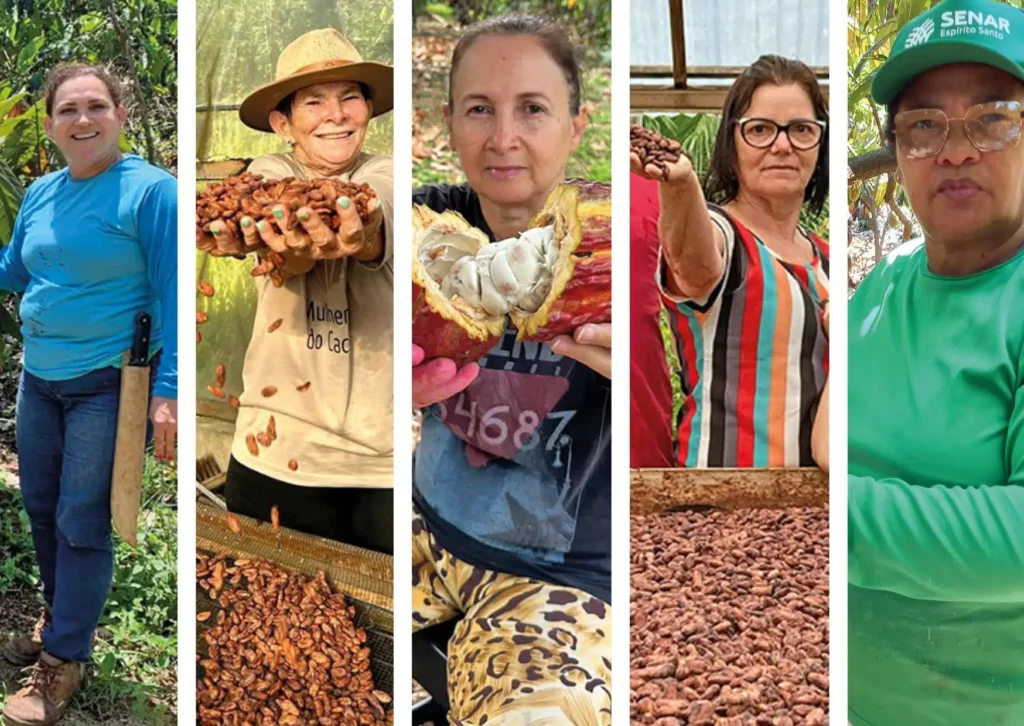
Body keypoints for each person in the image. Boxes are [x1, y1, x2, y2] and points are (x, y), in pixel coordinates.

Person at [411, 15, 611, 723]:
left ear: (577, 124)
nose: (503, 138)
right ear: (447, 122)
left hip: (558, 576)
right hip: (421, 528)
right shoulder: (426, 226)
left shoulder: (620, 248)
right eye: (479, 109)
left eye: (532, 109)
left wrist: (652, 370)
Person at [848, 0, 1024, 723]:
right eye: (924, 126)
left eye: (993, 118)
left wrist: (834, 515)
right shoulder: (883, 285)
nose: (956, 150)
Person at [0, 63, 178, 726]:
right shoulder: (42, 193)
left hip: (107, 382)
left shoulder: (149, 192)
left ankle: (65, 659)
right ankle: (59, 624)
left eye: (95, 106)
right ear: (49, 124)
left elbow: (173, 292)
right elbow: (16, 268)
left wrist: (168, 392)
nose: (82, 119)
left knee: (81, 520)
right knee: (41, 510)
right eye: (68, 109)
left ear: (119, 114)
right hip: (39, 378)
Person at [196, 28, 394, 554]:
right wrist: (295, 243)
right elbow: (272, 218)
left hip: (379, 462)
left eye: (350, 97)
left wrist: (363, 233)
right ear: (284, 123)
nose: (336, 114)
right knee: (265, 598)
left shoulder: (386, 172)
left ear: (368, 110)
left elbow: (376, 213)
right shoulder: (271, 173)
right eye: (314, 102)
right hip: (275, 446)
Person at [630, 54, 830, 470]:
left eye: (801, 130)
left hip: (811, 509)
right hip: (716, 504)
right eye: (760, 129)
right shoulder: (724, 232)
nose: (782, 145)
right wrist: (681, 185)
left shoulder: (826, 258)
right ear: (732, 144)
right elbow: (694, 266)